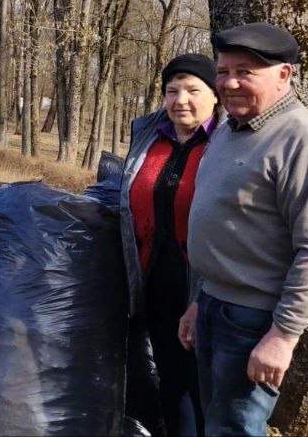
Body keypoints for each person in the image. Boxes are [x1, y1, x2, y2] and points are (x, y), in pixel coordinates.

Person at [183, 22, 308, 436]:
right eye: (223, 71)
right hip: (212, 306)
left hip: (255, 321)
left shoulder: (305, 139)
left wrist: (283, 336)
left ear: (284, 75)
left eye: (245, 71)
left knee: (235, 429)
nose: (230, 82)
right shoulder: (228, 131)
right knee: (214, 423)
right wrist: (196, 301)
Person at [121, 54, 220, 436]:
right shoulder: (149, 134)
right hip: (156, 276)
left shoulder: (226, 141)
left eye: (193, 90)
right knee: (172, 380)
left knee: (205, 385)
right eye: (172, 90)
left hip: (207, 282)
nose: (181, 99)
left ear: (215, 96)